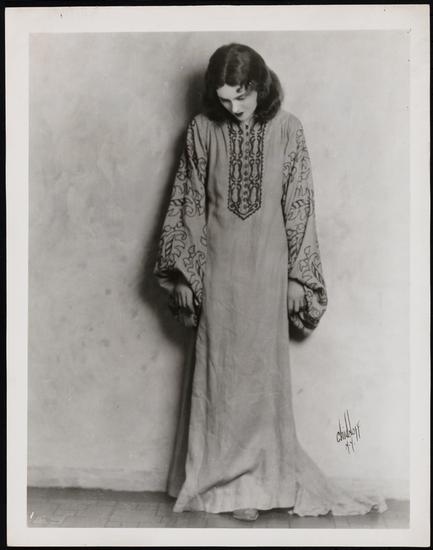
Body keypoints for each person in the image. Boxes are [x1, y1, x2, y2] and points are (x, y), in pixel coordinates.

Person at [154, 43, 387, 521]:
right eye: (224, 100)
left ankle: (262, 483)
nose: (233, 108)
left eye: (241, 97)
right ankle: (224, 485)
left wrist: (299, 277)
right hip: (217, 272)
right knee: (219, 377)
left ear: (259, 86)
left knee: (261, 380)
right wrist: (184, 275)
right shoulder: (202, 130)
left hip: (268, 271)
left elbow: (300, 205)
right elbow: (189, 203)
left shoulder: (288, 130)